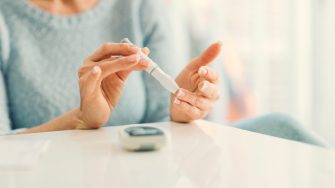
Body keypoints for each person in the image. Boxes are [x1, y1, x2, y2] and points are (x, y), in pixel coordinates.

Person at [0, 0, 330, 147]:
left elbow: (168, 133)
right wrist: (81, 121)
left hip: (147, 173)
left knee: (284, 129)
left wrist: (181, 111)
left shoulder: (140, 6)